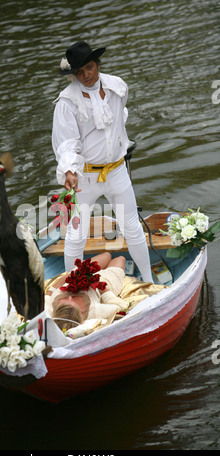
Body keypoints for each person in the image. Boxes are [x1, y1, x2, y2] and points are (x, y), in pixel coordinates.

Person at [52, 41, 153, 283]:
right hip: (85, 177)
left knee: (132, 228)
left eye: (90, 67)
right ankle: (70, 286)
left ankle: (150, 282)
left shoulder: (117, 87)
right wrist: (69, 170)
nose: (86, 75)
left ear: (97, 64)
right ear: (73, 74)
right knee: (76, 235)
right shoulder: (67, 102)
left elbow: (120, 116)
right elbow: (67, 141)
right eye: (79, 72)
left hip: (117, 171)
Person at [45, 252, 129, 331]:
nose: (70, 297)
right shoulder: (92, 311)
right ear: (81, 312)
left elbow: (49, 294)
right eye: (73, 302)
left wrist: (68, 277)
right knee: (121, 259)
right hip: (104, 282)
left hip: (79, 274)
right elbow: (121, 308)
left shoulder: (50, 306)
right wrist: (98, 285)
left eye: (65, 301)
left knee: (107, 255)